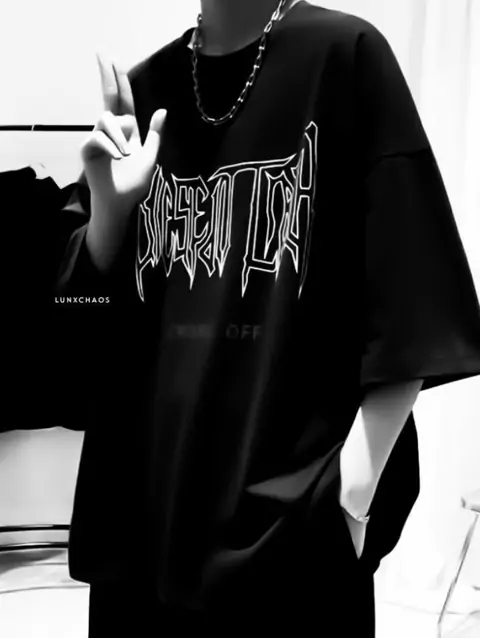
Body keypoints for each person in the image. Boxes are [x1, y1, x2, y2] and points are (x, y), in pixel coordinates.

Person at [54, 0, 480, 635]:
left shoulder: (344, 58)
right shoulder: (143, 96)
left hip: (289, 546)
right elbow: (75, 335)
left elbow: (412, 297)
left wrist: (350, 497)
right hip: (142, 544)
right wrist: (109, 220)